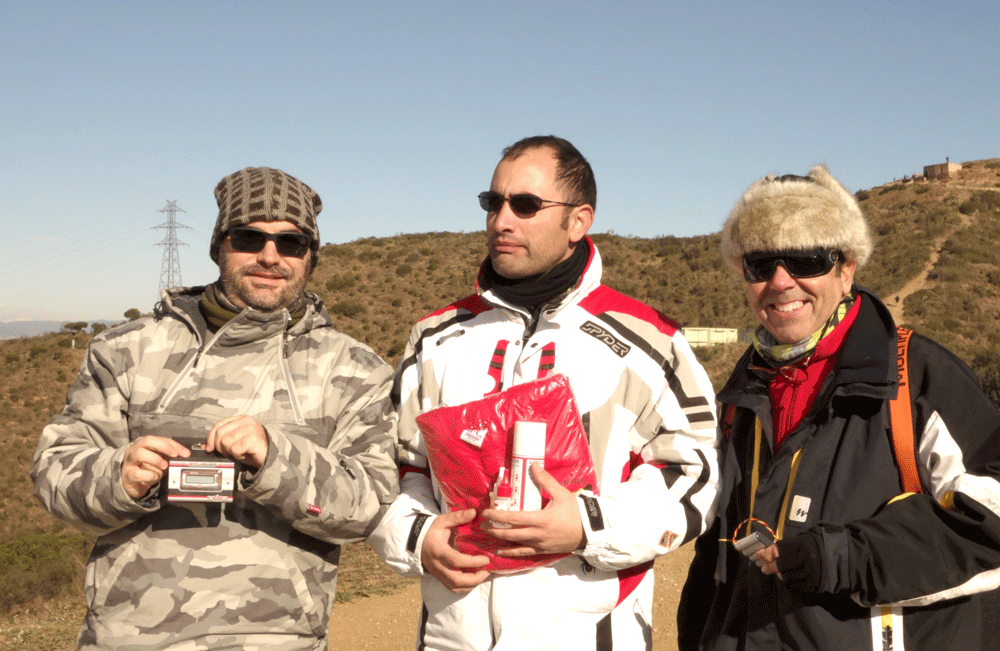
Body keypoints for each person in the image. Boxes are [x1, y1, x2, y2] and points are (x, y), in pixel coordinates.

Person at [368, 135, 719, 650]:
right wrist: (418, 537)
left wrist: (587, 525)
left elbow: (693, 476)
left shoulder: (651, 341)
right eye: (493, 202)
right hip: (451, 635)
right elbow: (397, 465)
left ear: (578, 221)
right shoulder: (434, 336)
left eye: (526, 205)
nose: (501, 221)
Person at [31, 166, 398, 651]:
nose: (270, 256)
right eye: (249, 237)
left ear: (310, 256)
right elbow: (54, 472)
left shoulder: (354, 369)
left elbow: (372, 504)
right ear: (218, 246)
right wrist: (118, 477)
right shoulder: (126, 350)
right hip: (129, 639)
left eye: (291, 243)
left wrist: (277, 460)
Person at [677, 165, 1000, 650]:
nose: (781, 281)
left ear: (846, 268)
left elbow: (992, 519)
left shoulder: (915, 376)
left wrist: (842, 558)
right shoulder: (740, 392)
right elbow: (715, 560)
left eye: (806, 259)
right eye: (760, 264)